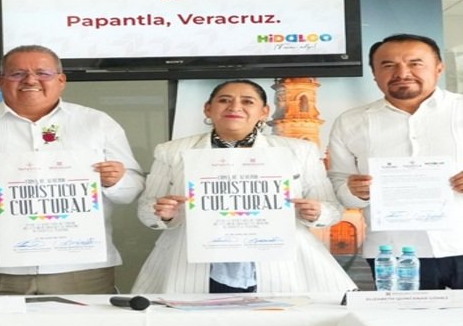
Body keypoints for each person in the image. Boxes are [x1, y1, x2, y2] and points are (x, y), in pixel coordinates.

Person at [327, 33, 463, 290]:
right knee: (404, 318)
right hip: (395, 252)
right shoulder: (351, 122)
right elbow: (339, 183)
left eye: (415, 63)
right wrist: (356, 192)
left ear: (439, 68)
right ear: (374, 73)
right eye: (388, 65)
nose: (402, 73)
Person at [0, 45, 144, 295]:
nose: (31, 80)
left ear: (61, 80)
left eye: (42, 73)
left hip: (82, 268)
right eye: (17, 74)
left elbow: (131, 190)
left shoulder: (98, 124)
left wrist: (116, 180)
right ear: (1, 82)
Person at [131, 80, 356, 294]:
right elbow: (146, 209)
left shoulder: (299, 151)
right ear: (208, 109)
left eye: (248, 101)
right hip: (191, 265)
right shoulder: (172, 151)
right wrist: (164, 213)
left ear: (264, 112)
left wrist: (316, 212)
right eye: (224, 100)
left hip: (281, 266)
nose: (235, 107)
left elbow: (332, 209)